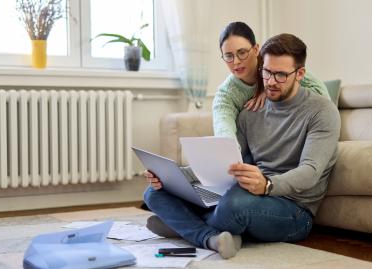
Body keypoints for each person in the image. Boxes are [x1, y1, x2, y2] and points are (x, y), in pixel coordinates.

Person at [143, 33, 341, 259]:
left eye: (281, 75)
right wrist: (173, 176)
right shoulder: (250, 113)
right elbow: (229, 164)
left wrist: (267, 185)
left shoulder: (322, 112)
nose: (271, 81)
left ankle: (184, 227)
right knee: (154, 193)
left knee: (233, 206)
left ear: (300, 74)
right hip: (248, 194)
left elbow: (310, 173)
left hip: (293, 210)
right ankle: (212, 236)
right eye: (266, 72)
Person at [213, 21, 330, 141]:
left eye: (242, 52)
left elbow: (322, 98)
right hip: (257, 146)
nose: (236, 61)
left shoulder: (277, 65)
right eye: (228, 56)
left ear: (256, 49)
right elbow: (223, 131)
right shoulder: (226, 95)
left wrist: (270, 91)